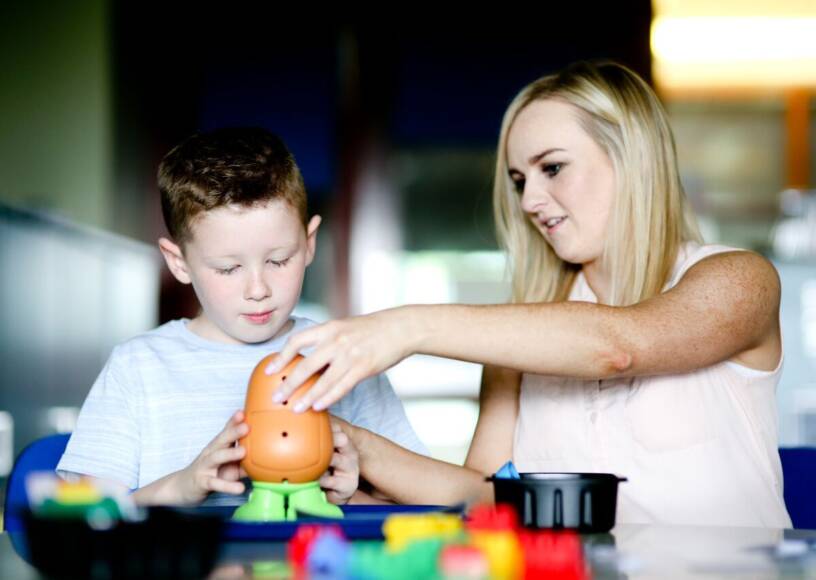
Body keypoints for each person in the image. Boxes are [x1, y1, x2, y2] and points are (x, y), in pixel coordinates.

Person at [267, 62, 792, 527]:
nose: (531, 201)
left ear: (631, 157)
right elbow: (487, 497)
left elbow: (620, 345)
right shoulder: (521, 346)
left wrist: (405, 327)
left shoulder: (739, 280)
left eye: (553, 168)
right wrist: (350, 448)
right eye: (520, 181)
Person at [57, 127, 426, 507]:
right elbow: (84, 514)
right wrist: (181, 487)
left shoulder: (344, 358)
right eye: (228, 268)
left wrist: (350, 498)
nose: (258, 289)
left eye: (278, 260)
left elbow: (419, 512)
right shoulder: (138, 367)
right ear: (179, 262)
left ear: (309, 242)